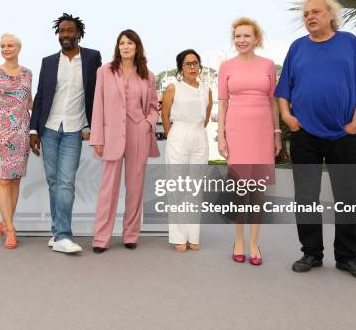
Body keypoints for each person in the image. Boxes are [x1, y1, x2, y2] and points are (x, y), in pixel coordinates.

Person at [275, 0, 356, 280]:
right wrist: (286, 116)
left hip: (342, 134)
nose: (309, 16)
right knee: (306, 196)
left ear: (330, 15)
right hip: (304, 134)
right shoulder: (297, 48)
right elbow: (283, 90)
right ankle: (311, 252)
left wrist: (355, 123)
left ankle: (347, 257)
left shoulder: (350, 43)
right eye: (306, 13)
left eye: (316, 12)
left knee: (346, 196)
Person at [29, 13, 102, 254]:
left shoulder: (92, 58)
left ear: (78, 33)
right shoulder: (48, 61)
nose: (65, 35)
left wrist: (93, 125)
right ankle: (56, 230)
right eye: (61, 31)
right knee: (53, 181)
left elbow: (96, 94)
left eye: (70, 31)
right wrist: (33, 129)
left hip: (74, 129)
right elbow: (41, 96)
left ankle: (63, 235)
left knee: (66, 182)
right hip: (49, 127)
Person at [89, 29, 160, 253]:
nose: (126, 47)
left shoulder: (147, 74)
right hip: (111, 135)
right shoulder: (104, 72)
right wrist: (97, 138)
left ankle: (131, 234)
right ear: (117, 47)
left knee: (135, 187)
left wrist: (148, 123)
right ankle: (101, 237)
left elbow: (153, 107)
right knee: (107, 188)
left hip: (138, 132)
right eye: (122, 43)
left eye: (130, 43)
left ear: (137, 46)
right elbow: (97, 105)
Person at [218, 17, 281, 266]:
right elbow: (223, 103)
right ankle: (239, 240)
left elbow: (273, 100)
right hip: (237, 131)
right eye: (237, 36)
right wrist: (221, 136)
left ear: (257, 39)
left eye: (246, 36)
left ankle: (254, 241)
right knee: (239, 190)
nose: (241, 40)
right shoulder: (226, 66)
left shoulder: (267, 65)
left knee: (258, 191)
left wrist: (277, 133)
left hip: (262, 132)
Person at [161, 49, 212, 252]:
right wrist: (171, 135)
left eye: (195, 63)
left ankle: (193, 236)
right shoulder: (174, 88)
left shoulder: (206, 89)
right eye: (188, 64)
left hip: (199, 136)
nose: (192, 67)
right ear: (181, 67)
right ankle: (178, 236)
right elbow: (165, 115)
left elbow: (207, 116)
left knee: (195, 188)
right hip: (178, 135)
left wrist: (196, 131)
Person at [0, 34, 32, 249]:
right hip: (1, 134)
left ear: (19, 48)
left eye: (10, 45)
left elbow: (30, 101)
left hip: (21, 133)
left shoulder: (27, 74)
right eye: (2, 46)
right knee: (3, 180)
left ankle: (6, 222)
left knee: (14, 180)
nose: (6, 49)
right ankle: (11, 230)